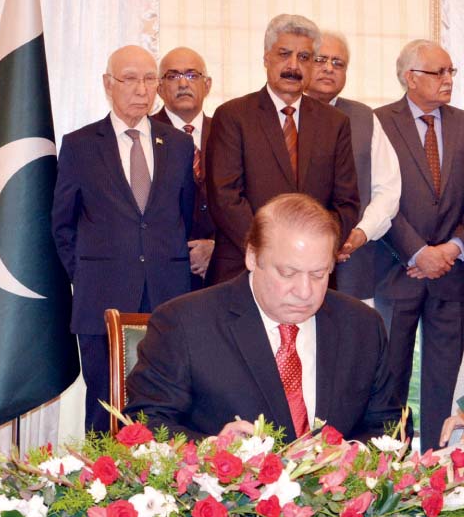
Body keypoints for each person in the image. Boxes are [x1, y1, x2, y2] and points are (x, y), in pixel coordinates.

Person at [125, 193, 406, 443]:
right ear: (252, 257)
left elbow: (390, 427)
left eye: (320, 274)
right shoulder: (184, 323)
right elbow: (145, 424)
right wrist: (212, 451)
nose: (305, 291)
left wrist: (353, 454)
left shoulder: (362, 325)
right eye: (287, 273)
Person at [52, 45, 195, 433]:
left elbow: (188, 216)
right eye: (130, 78)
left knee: (166, 401)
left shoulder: (179, 145)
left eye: (151, 79)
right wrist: (86, 276)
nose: (142, 89)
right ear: (108, 84)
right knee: (104, 404)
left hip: (168, 295)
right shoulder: (80, 145)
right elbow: (62, 226)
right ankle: (100, 488)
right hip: (101, 297)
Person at [205, 14, 359, 285]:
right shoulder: (233, 115)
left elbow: (345, 203)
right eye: (284, 54)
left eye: (304, 57)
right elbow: (225, 198)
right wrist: (271, 252)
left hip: (312, 275)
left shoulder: (335, 123)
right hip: (246, 267)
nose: (293, 66)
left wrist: (313, 252)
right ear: (266, 58)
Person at [374, 39, 464, 451]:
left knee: (443, 376)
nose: (448, 80)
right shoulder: (377, 123)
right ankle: (386, 466)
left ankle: (434, 464)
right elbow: (375, 196)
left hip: (452, 275)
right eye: (439, 72)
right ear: (411, 78)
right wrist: (417, 252)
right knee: (389, 375)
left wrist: (451, 248)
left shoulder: (463, 123)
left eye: (451, 72)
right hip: (396, 270)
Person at [305, 31, 401, 303]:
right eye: (320, 59)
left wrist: (361, 233)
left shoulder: (363, 118)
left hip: (353, 260)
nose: (328, 68)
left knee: (350, 337)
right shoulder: (286, 116)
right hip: (292, 260)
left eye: (338, 63)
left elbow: (388, 188)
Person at [151, 47, 215, 289]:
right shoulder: (143, 135)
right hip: (161, 274)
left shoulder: (228, 131)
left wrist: (216, 248)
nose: (182, 84)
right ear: (159, 88)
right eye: (172, 76)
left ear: (207, 85)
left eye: (191, 75)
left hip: (217, 274)